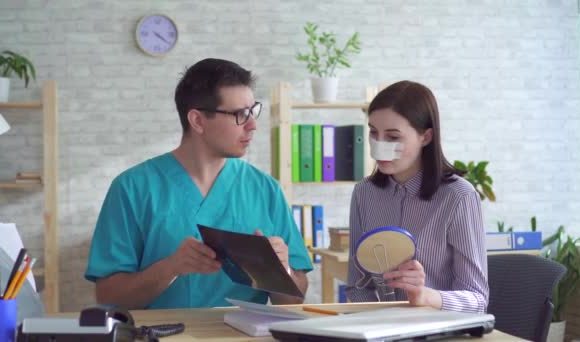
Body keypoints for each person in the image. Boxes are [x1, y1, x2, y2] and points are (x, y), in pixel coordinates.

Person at [84, 58, 312, 309]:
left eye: (252, 111)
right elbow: (108, 298)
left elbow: (295, 299)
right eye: (239, 114)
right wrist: (171, 267)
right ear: (198, 121)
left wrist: (283, 270)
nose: (252, 125)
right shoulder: (131, 188)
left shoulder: (265, 189)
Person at [345, 80, 488, 313]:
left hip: (441, 332)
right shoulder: (364, 193)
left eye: (392, 137)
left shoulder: (458, 197)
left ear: (426, 137)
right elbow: (358, 285)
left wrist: (425, 296)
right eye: (373, 132)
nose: (379, 147)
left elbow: (477, 300)